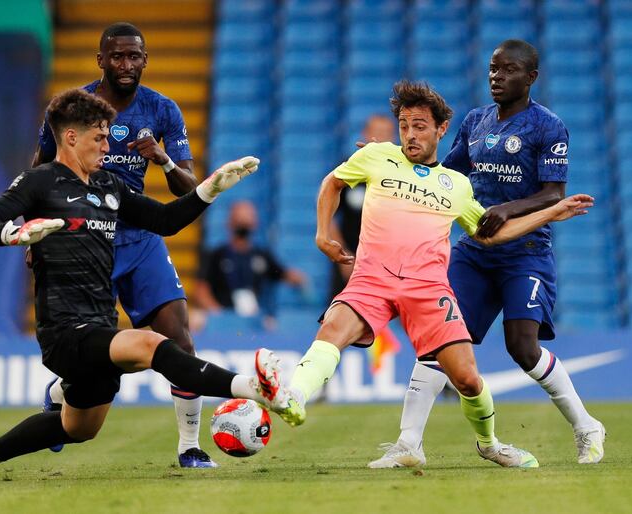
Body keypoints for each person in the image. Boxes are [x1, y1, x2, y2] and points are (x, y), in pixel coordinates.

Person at [255, 80, 594, 469]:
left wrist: (552, 212)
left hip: (429, 288)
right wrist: (322, 233)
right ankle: (294, 397)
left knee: (467, 380)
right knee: (333, 327)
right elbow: (333, 182)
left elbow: (490, 235)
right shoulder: (378, 155)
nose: (410, 134)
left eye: (419, 126)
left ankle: (489, 443)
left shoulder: (457, 185)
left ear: (441, 130)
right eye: (404, 125)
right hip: (372, 277)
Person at [0, 88, 286, 481]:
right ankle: (255, 388)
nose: (108, 146)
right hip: (64, 330)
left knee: (78, 428)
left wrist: (210, 189)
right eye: (100, 137)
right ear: (71, 137)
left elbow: (165, 221)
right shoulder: (39, 183)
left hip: (99, 324)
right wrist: (16, 234)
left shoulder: (108, 186)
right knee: (151, 343)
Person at [370, 40, 606, 469]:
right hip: (475, 251)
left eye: (509, 70)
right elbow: (447, 174)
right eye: (493, 69)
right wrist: (393, 165)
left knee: (522, 347)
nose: (497, 77)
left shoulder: (548, 127)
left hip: (526, 251)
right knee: (438, 340)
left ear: (531, 78)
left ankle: (587, 426)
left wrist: (506, 209)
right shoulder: (477, 121)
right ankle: (407, 443)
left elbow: (554, 193)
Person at [32, 23, 215, 467]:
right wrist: (34, 230)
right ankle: (60, 392)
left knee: (179, 340)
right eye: (117, 57)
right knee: (94, 355)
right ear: (100, 61)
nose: (126, 65)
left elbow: (186, 188)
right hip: (86, 241)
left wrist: (164, 159)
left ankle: (189, 447)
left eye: (134, 56)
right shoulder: (72, 110)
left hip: (140, 238)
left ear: (145, 60)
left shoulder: (162, 110)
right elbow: (38, 172)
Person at [193, 200, 305, 325]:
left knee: (273, 323)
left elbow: (282, 273)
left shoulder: (262, 256)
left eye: (247, 220)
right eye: (239, 220)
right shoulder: (216, 255)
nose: (243, 225)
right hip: (223, 314)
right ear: (230, 222)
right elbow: (201, 290)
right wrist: (218, 313)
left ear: (255, 223)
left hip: (253, 317)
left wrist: (301, 282)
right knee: (196, 319)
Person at [328, 114, 396, 299]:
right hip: (350, 259)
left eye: (386, 134)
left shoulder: (402, 176)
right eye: (377, 133)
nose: (380, 139)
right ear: (365, 134)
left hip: (387, 263)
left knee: (384, 320)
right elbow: (329, 217)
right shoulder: (349, 169)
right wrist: (345, 257)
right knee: (337, 318)